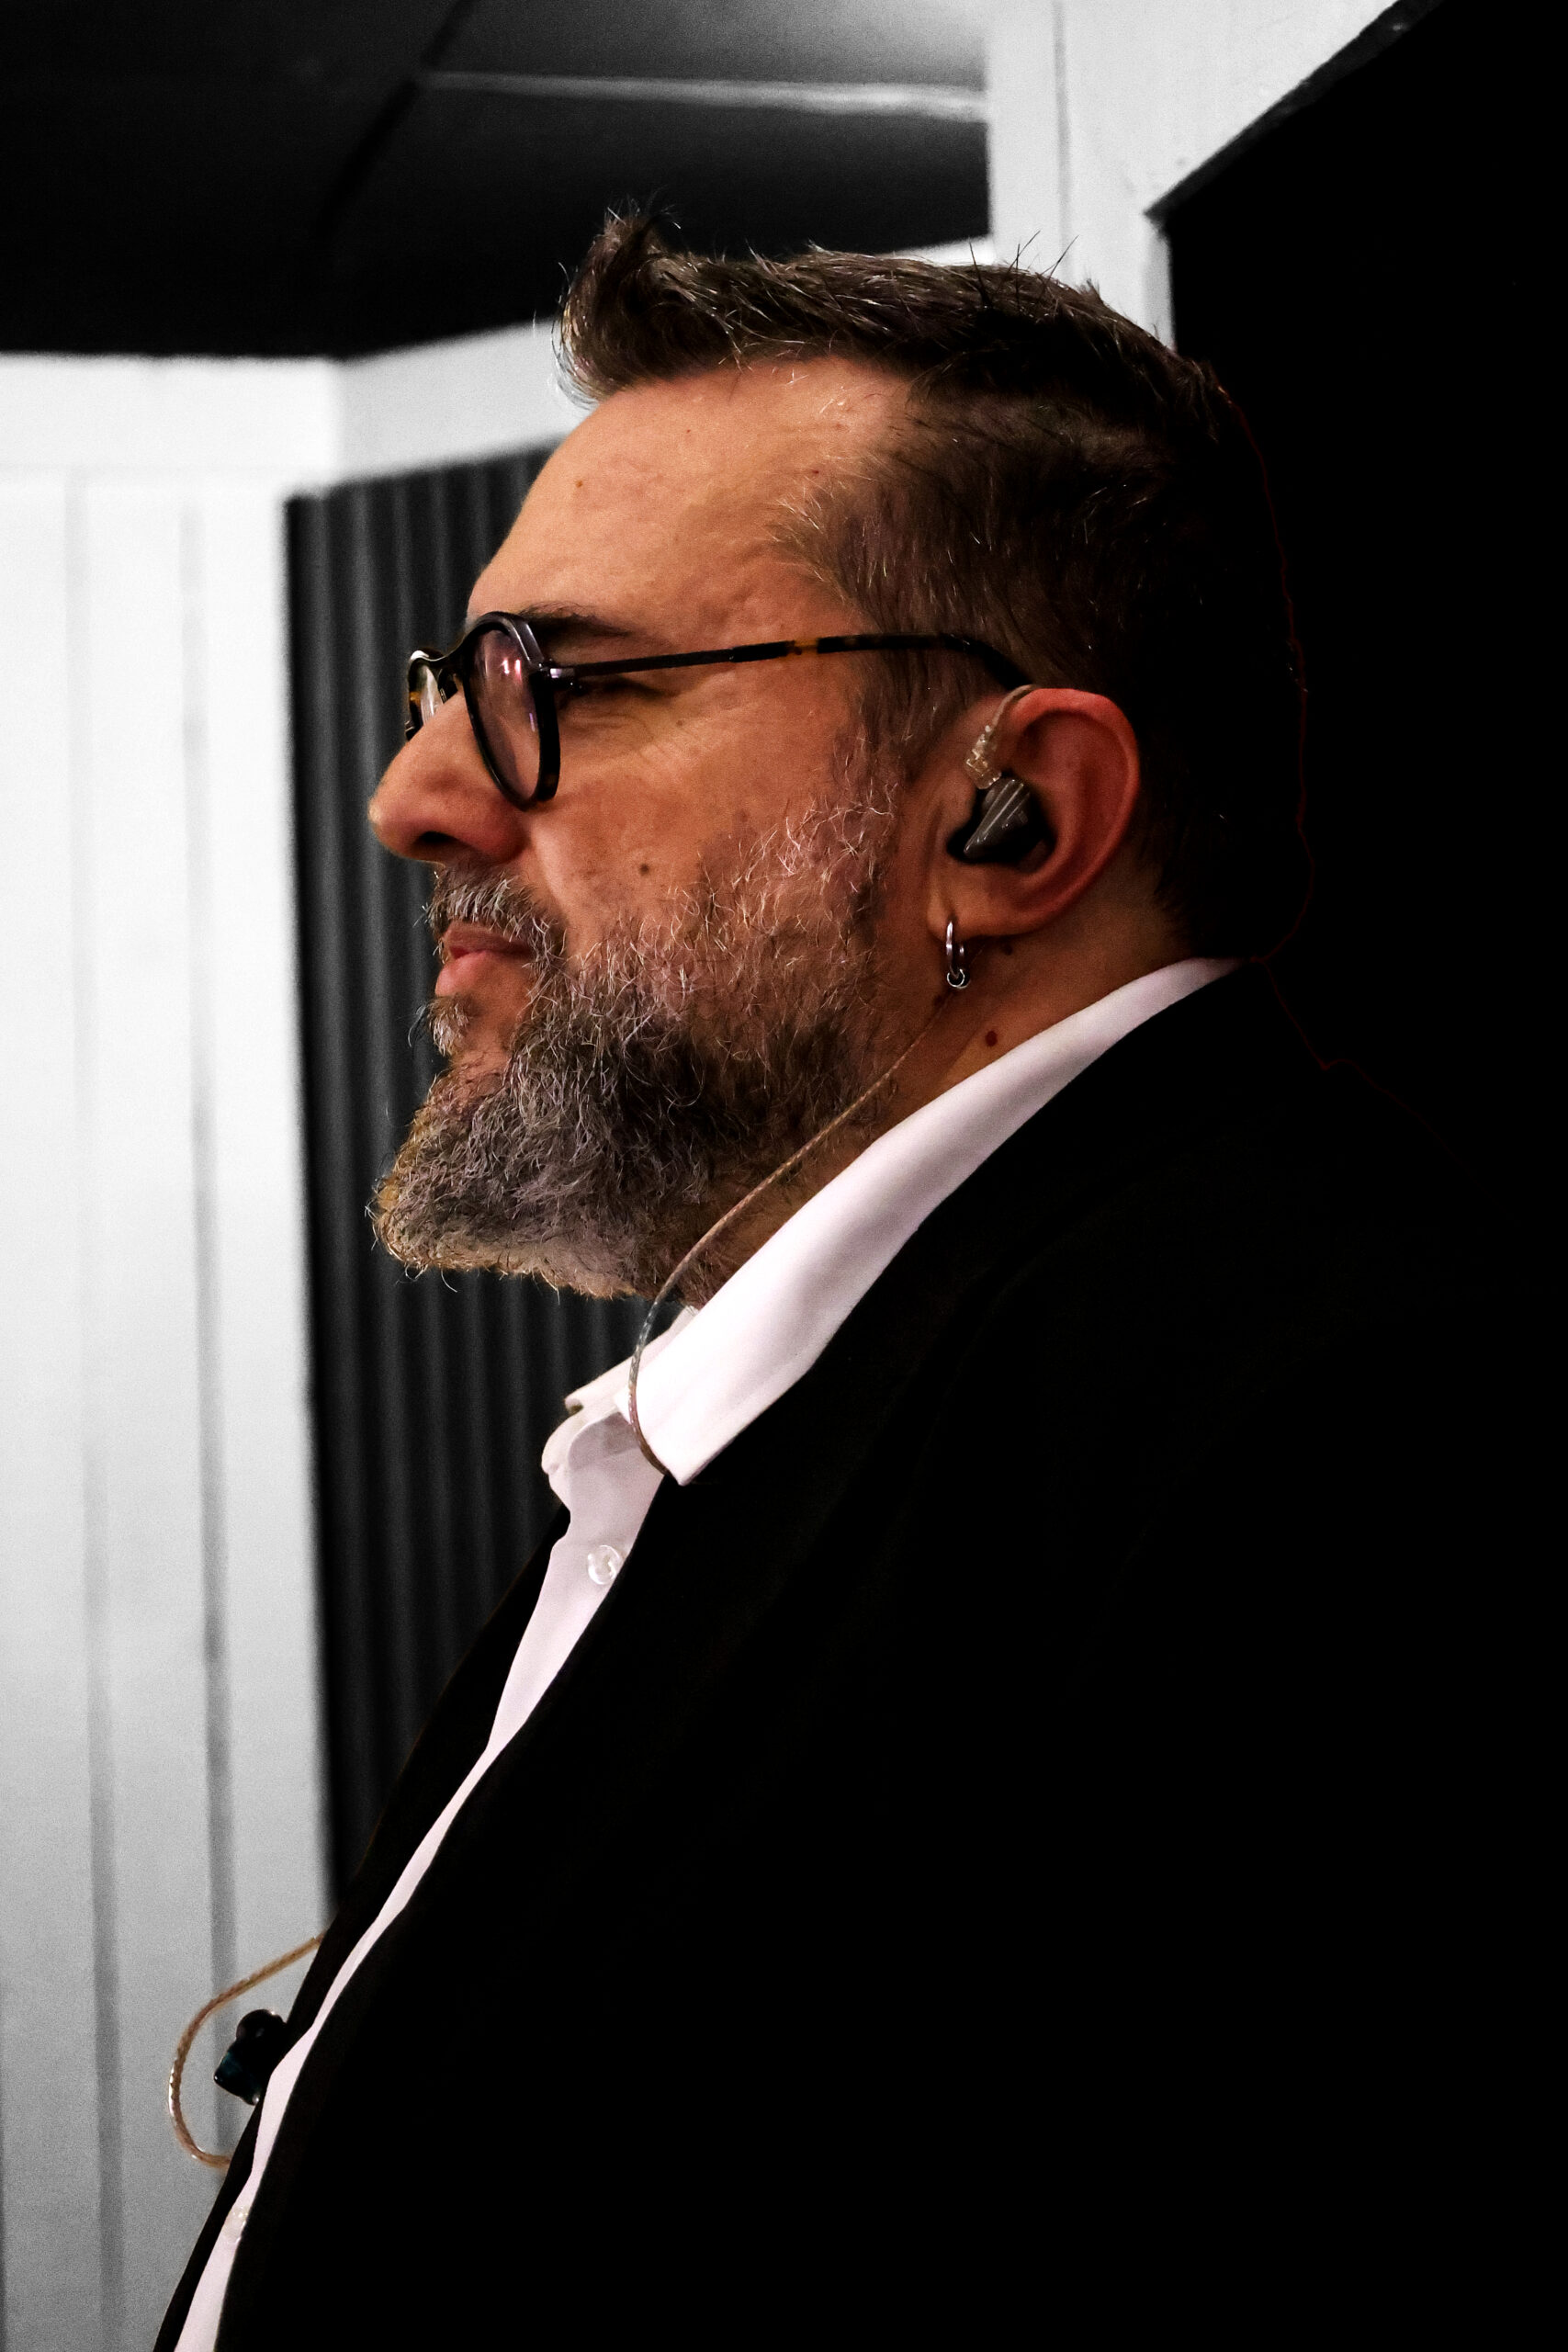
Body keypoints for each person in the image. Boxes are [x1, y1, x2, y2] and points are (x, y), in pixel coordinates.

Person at [159, 218, 1519, 2347]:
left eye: (559, 689)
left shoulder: (1354, 1444)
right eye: (452, 688)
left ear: (1010, 814)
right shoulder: (859, 1385)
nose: (416, 796)